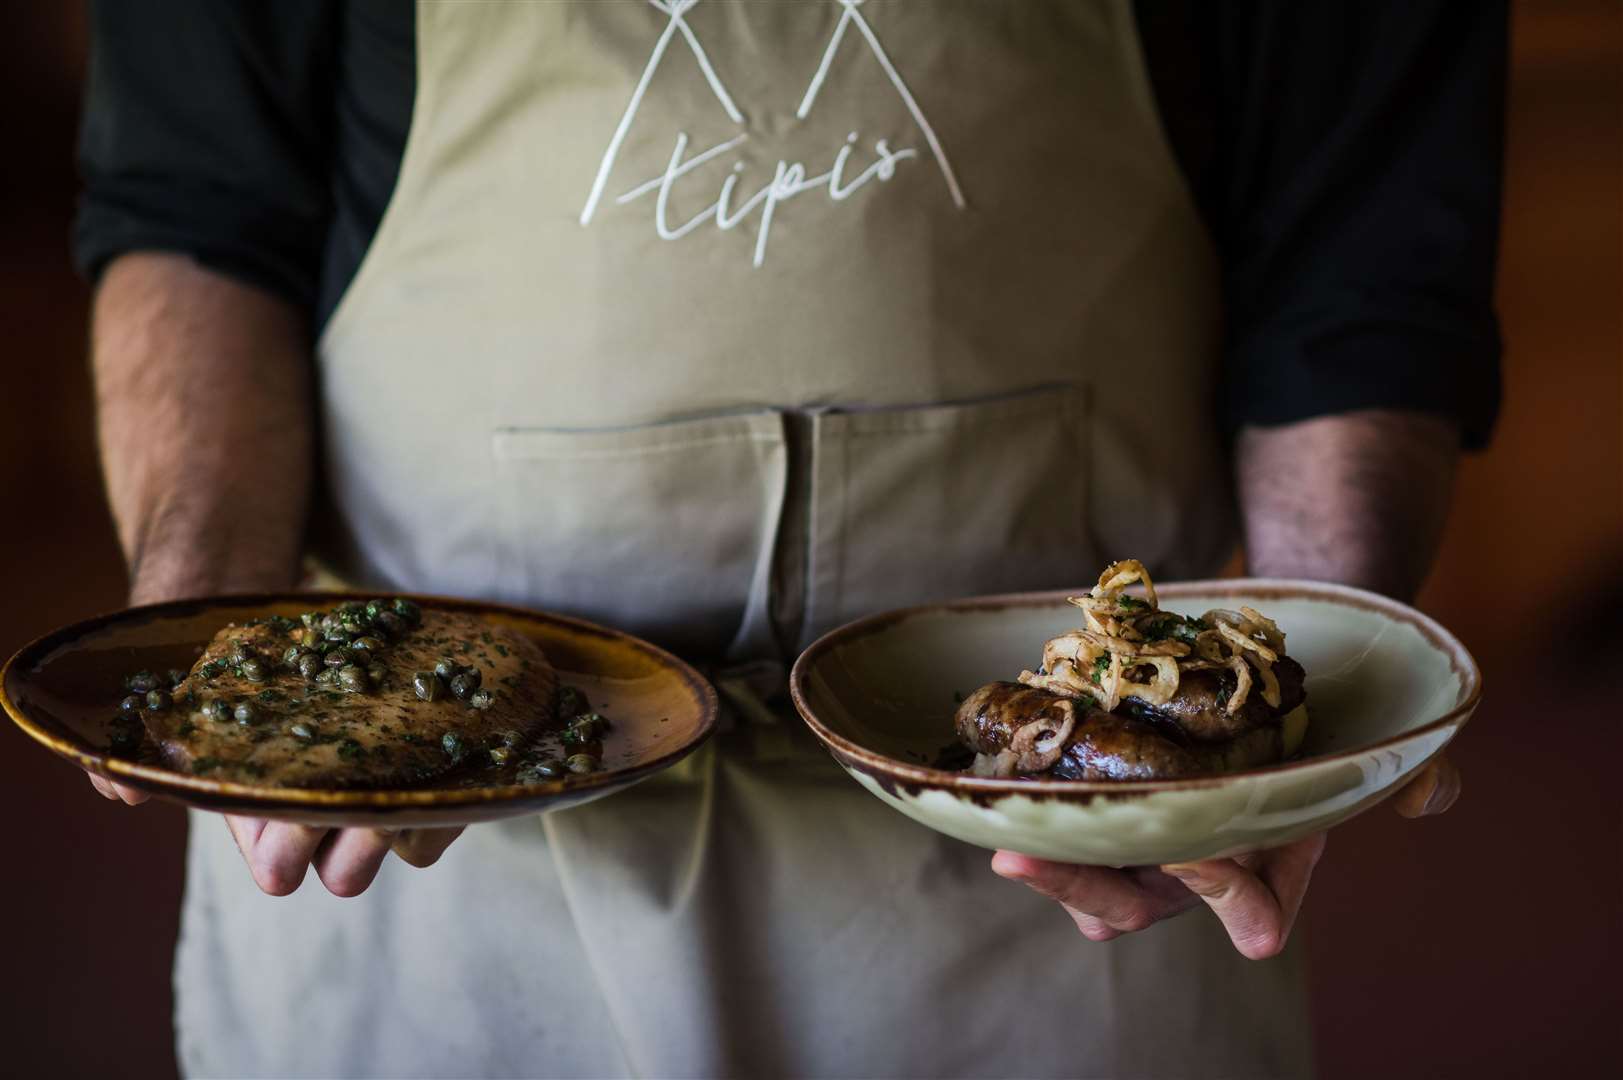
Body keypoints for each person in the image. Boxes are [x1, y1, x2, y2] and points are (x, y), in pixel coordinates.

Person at [74, 1, 1504, 1076]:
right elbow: (201, 206)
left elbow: (1362, 256)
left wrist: (1294, 711)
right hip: (442, 872)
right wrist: (223, 652)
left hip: (1065, 882)